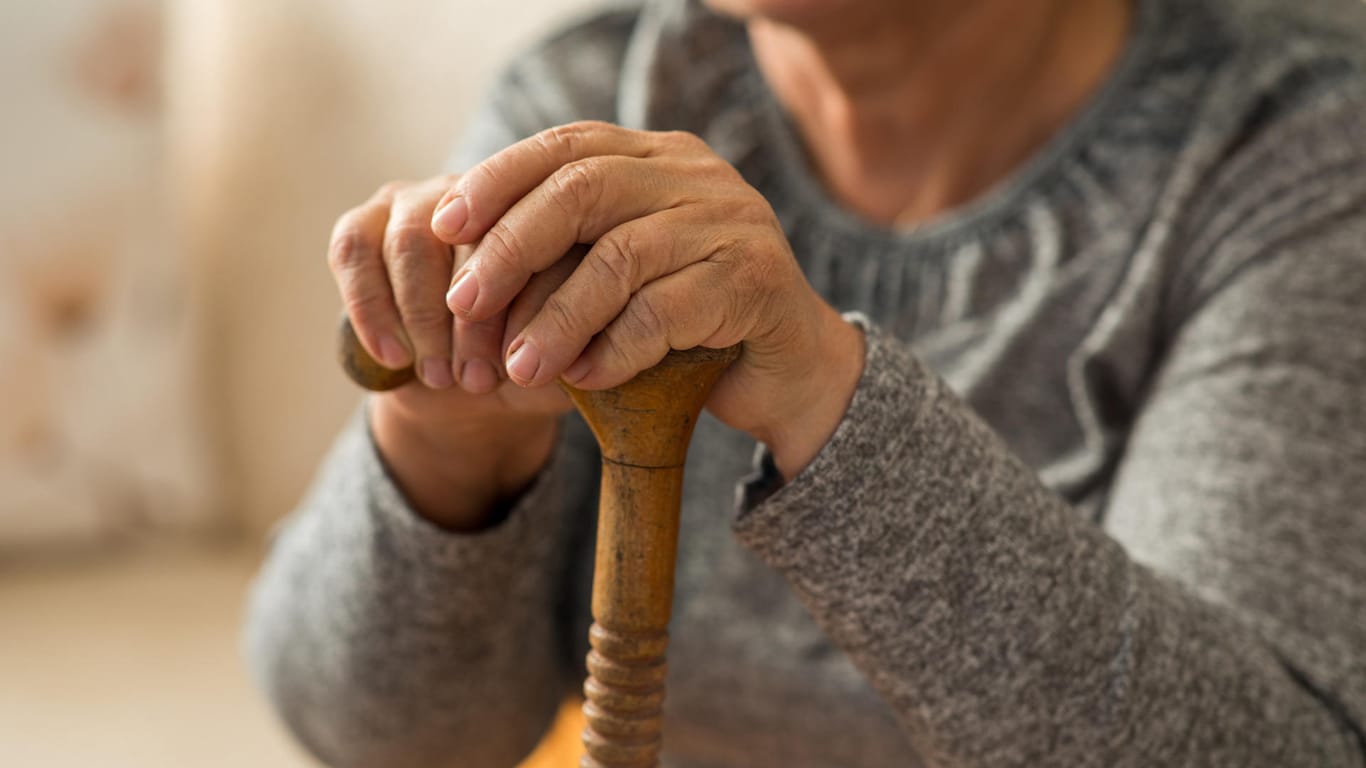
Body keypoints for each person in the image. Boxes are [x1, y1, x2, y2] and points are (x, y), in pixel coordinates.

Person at [245, 0, 1366, 764]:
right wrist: (447, 444)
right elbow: (375, 733)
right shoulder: (600, 92)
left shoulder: (1300, 151)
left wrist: (824, 390)